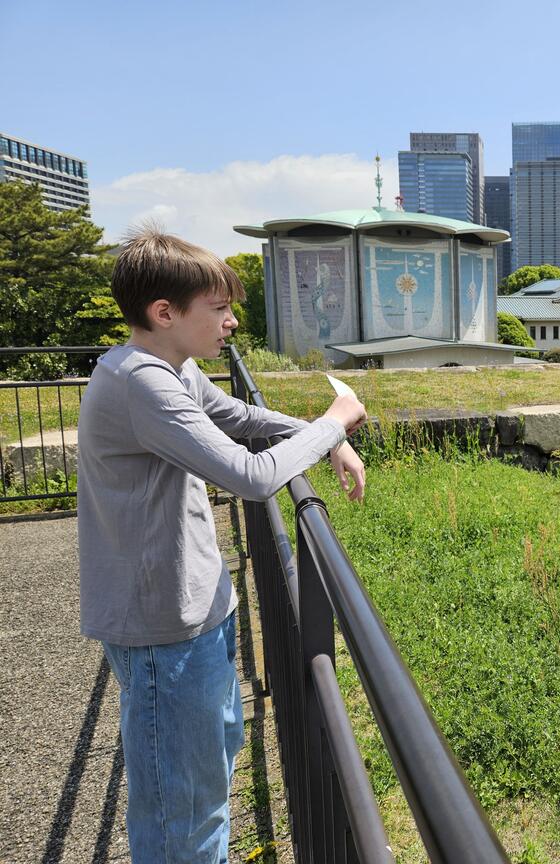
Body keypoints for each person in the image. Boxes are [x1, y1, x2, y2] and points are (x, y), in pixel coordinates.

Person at [76, 227, 367, 862]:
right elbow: (252, 476)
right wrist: (331, 424)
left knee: (206, 779)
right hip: (162, 630)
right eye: (219, 308)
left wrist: (327, 436)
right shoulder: (140, 382)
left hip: (192, 613)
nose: (233, 321)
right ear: (164, 313)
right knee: (183, 812)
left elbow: (239, 418)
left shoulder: (169, 367)